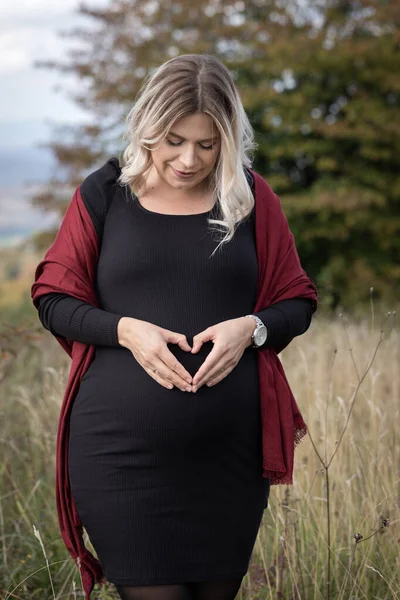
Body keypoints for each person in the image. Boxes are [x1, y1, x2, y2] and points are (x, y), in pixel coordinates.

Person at [31, 54, 318, 600]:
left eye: (207, 145)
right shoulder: (105, 194)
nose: (189, 159)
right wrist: (124, 330)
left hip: (229, 462)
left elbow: (298, 300)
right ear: (147, 129)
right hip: (120, 456)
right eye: (173, 140)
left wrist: (252, 328)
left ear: (227, 140)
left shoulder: (252, 200)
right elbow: (53, 297)